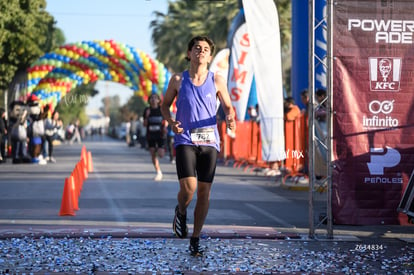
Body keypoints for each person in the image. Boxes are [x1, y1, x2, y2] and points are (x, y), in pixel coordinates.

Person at [161, 36, 236, 257]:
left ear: (210, 56)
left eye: (205, 49)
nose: (201, 52)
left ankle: (195, 238)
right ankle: (181, 210)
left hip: (209, 142)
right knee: (189, 188)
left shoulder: (217, 80)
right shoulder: (177, 80)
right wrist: (171, 121)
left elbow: (228, 107)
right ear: (189, 53)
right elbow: (165, 106)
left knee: (204, 192)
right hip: (185, 139)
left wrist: (230, 117)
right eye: (197, 48)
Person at [143, 93, 167, 181]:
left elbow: (165, 120)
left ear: (158, 100)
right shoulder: (147, 110)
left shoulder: (161, 109)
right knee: (153, 153)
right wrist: (147, 116)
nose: (153, 100)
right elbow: (144, 124)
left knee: (161, 155)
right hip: (151, 135)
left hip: (160, 134)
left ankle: (159, 150)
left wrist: (165, 127)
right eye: (151, 98)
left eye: (155, 98)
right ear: (149, 100)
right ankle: (158, 172)